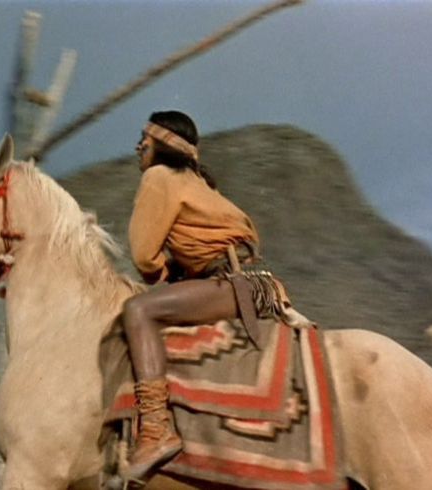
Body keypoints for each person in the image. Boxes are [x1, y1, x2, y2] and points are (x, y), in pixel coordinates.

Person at [121, 110, 305, 480]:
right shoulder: (197, 182)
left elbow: (143, 256)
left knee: (138, 310)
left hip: (227, 284)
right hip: (253, 284)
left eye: (145, 138)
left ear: (163, 145)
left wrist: (163, 273)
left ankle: (156, 429)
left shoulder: (159, 177)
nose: (138, 145)